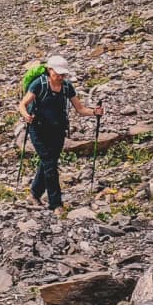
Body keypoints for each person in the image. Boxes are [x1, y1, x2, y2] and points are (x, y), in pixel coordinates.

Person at [17, 55, 103, 212]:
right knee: (50, 165)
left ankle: (34, 195)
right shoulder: (39, 84)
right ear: (50, 70)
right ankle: (56, 204)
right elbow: (23, 104)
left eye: (63, 74)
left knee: (47, 164)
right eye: (57, 74)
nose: (60, 77)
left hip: (58, 131)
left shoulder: (67, 87)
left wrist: (94, 112)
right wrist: (26, 115)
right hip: (38, 130)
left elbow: (80, 109)